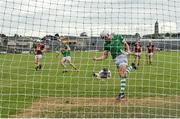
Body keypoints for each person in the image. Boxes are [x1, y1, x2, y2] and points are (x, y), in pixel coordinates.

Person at [93, 30, 137, 100]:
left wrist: (128, 50)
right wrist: (96, 59)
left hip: (122, 56)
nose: (105, 39)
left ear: (108, 34)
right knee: (124, 75)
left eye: (105, 37)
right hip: (116, 60)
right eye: (103, 38)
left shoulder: (118, 37)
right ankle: (132, 67)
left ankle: (122, 94)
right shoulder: (106, 45)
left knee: (122, 75)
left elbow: (125, 43)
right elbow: (105, 56)